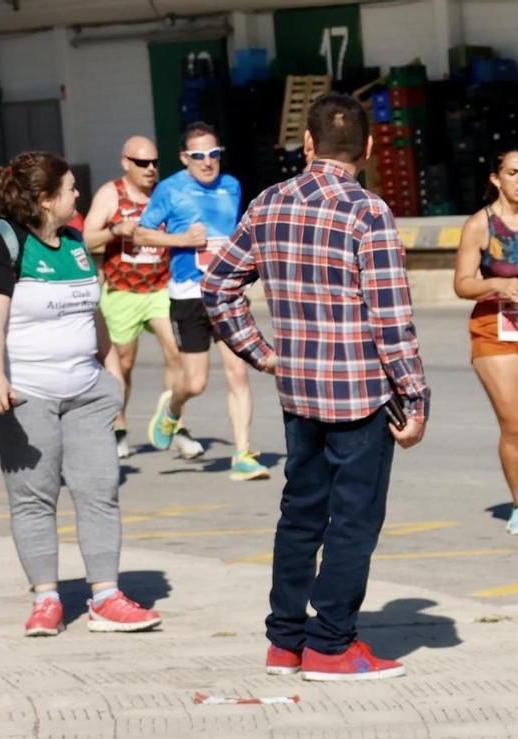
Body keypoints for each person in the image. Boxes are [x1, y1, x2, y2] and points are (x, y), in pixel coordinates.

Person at [204, 91, 429, 683]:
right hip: (359, 396)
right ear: (371, 147)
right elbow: (391, 319)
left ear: (306, 144)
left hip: (298, 393)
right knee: (353, 520)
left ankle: (285, 641)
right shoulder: (368, 213)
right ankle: (331, 643)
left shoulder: (269, 203)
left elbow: (218, 287)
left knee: (300, 514)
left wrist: (262, 353)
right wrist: (414, 397)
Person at [0, 152, 163, 636]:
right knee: (34, 498)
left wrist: (113, 374)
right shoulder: (0, 243)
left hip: (85, 391)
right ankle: (47, 599)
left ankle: (106, 596)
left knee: (100, 492)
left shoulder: (75, 241)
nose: (79, 196)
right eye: (72, 189)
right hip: (24, 391)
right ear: (44, 198)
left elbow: (91, 313)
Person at [134, 122, 267, 480]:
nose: (208, 163)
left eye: (214, 155)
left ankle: (242, 454)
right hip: (189, 296)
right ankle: (172, 409)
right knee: (195, 383)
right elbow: (140, 233)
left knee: (239, 372)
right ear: (184, 158)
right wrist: (181, 241)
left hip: (227, 293)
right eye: (199, 156)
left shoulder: (232, 186)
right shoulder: (170, 189)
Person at [453, 145, 518, 535]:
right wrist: (496, 283)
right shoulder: (481, 224)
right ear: (495, 179)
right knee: (516, 423)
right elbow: (462, 284)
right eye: (512, 173)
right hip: (495, 331)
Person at [81, 135, 193, 462]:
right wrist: (115, 231)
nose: (150, 169)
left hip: (160, 287)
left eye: (155, 162)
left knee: (178, 353)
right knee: (123, 364)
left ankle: (175, 424)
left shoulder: (165, 193)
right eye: (142, 163)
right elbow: (86, 238)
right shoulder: (110, 194)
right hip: (122, 291)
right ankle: (118, 426)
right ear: (125, 163)